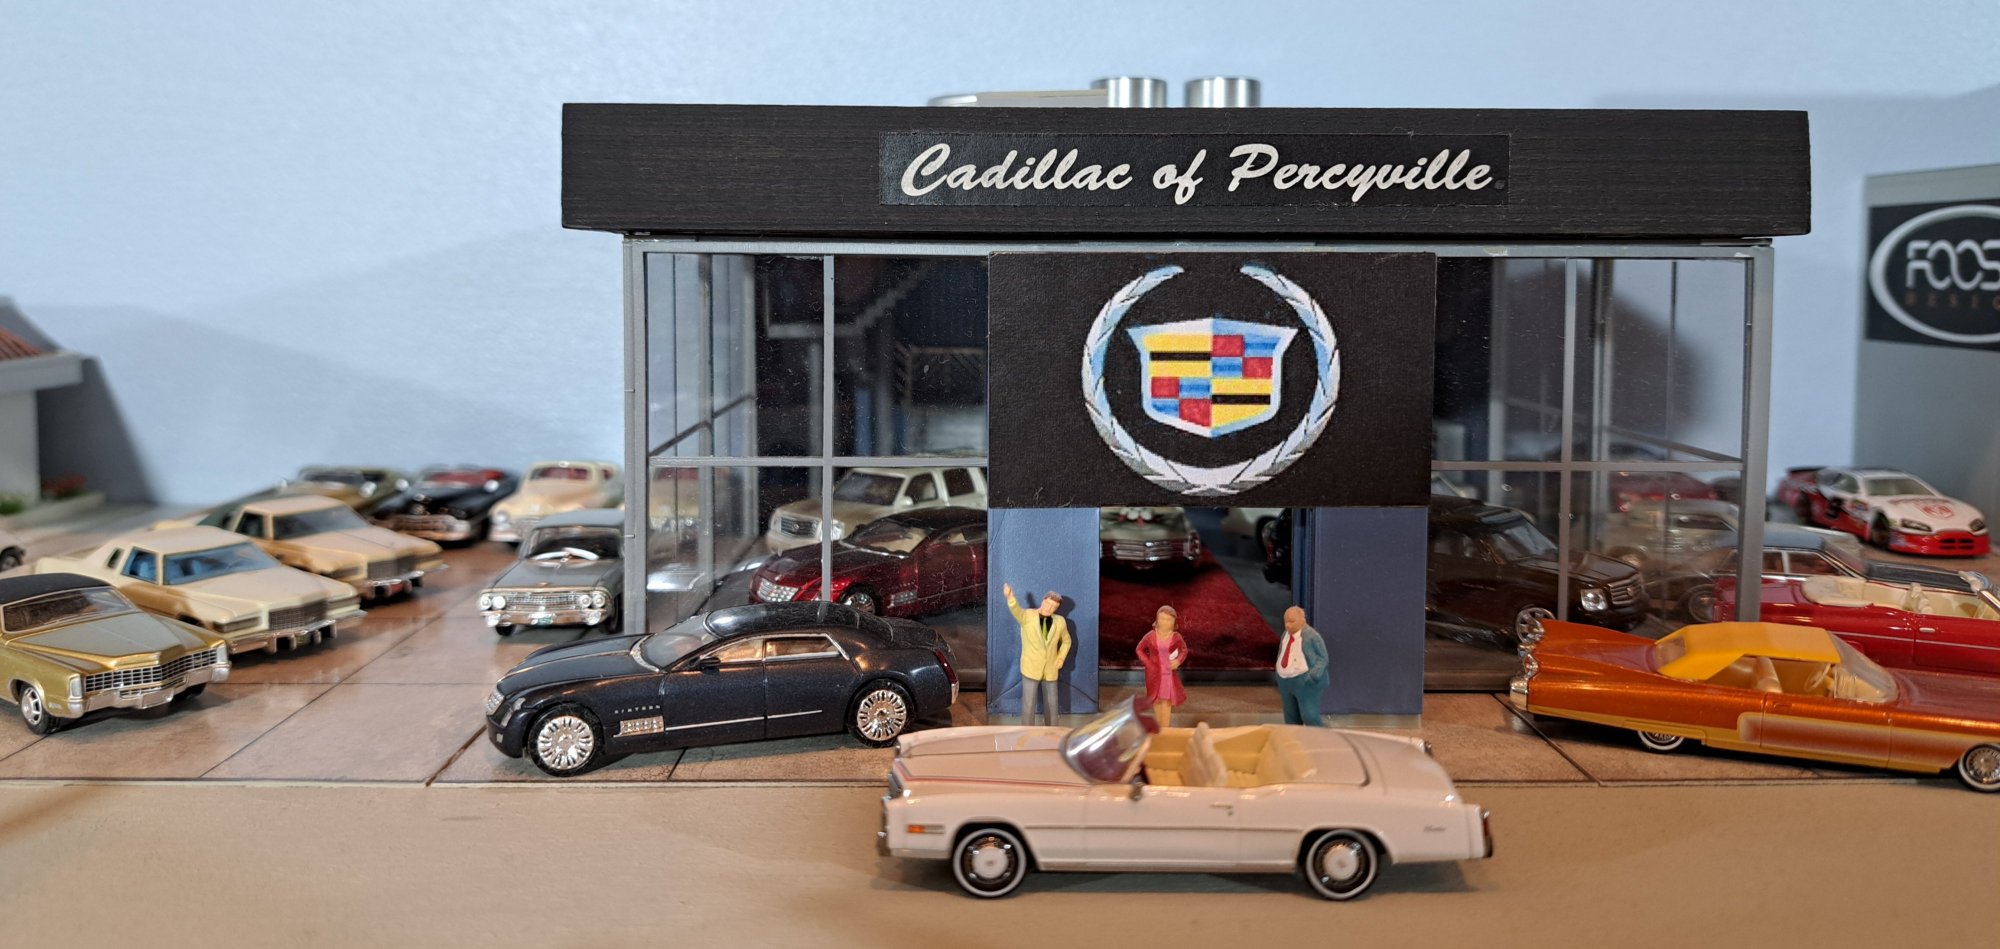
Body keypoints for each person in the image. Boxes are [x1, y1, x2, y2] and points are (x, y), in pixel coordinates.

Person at [1003, 582, 1071, 726]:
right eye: (1048, 604)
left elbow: (1067, 641)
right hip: (1031, 667)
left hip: (1051, 669)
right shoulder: (1028, 616)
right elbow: (1017, 611)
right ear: (1043, 601)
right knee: (1029, 703)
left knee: (1052, 703)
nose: (1049, 608)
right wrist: (1010, 598)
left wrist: (1060, 658)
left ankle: (1052, 730)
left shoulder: (1060, 622)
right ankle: (1027, 731)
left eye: (1054, 607)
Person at [1136, 604, 1188, 728]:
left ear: (1174, 622)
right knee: (1156, 698)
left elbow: (1184, 650)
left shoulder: (1176, 637)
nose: (1165, 622)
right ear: (1157, 619)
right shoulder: (1150, 636)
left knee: (1166, 699)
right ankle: (1159, 726)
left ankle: (1165, 727)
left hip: (1168, 673)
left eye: (1169, 619)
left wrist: (1178, 661)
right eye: (1162, 619)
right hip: (1153, 673)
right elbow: (1139, 649)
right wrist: (1148, 663)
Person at [1275, 606, 1328, 726]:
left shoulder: (1312, 636)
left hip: (1304, 681)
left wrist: (1313, 676)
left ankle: (1318, 736)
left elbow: (1323, 658)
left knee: (1309, 715)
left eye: (1291, 622)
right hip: (1286, 682)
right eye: (1286, 622)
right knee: (1290, 716)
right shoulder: (1285, 635)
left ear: (1302, 620)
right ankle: (1295, 736)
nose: (1288, 625)